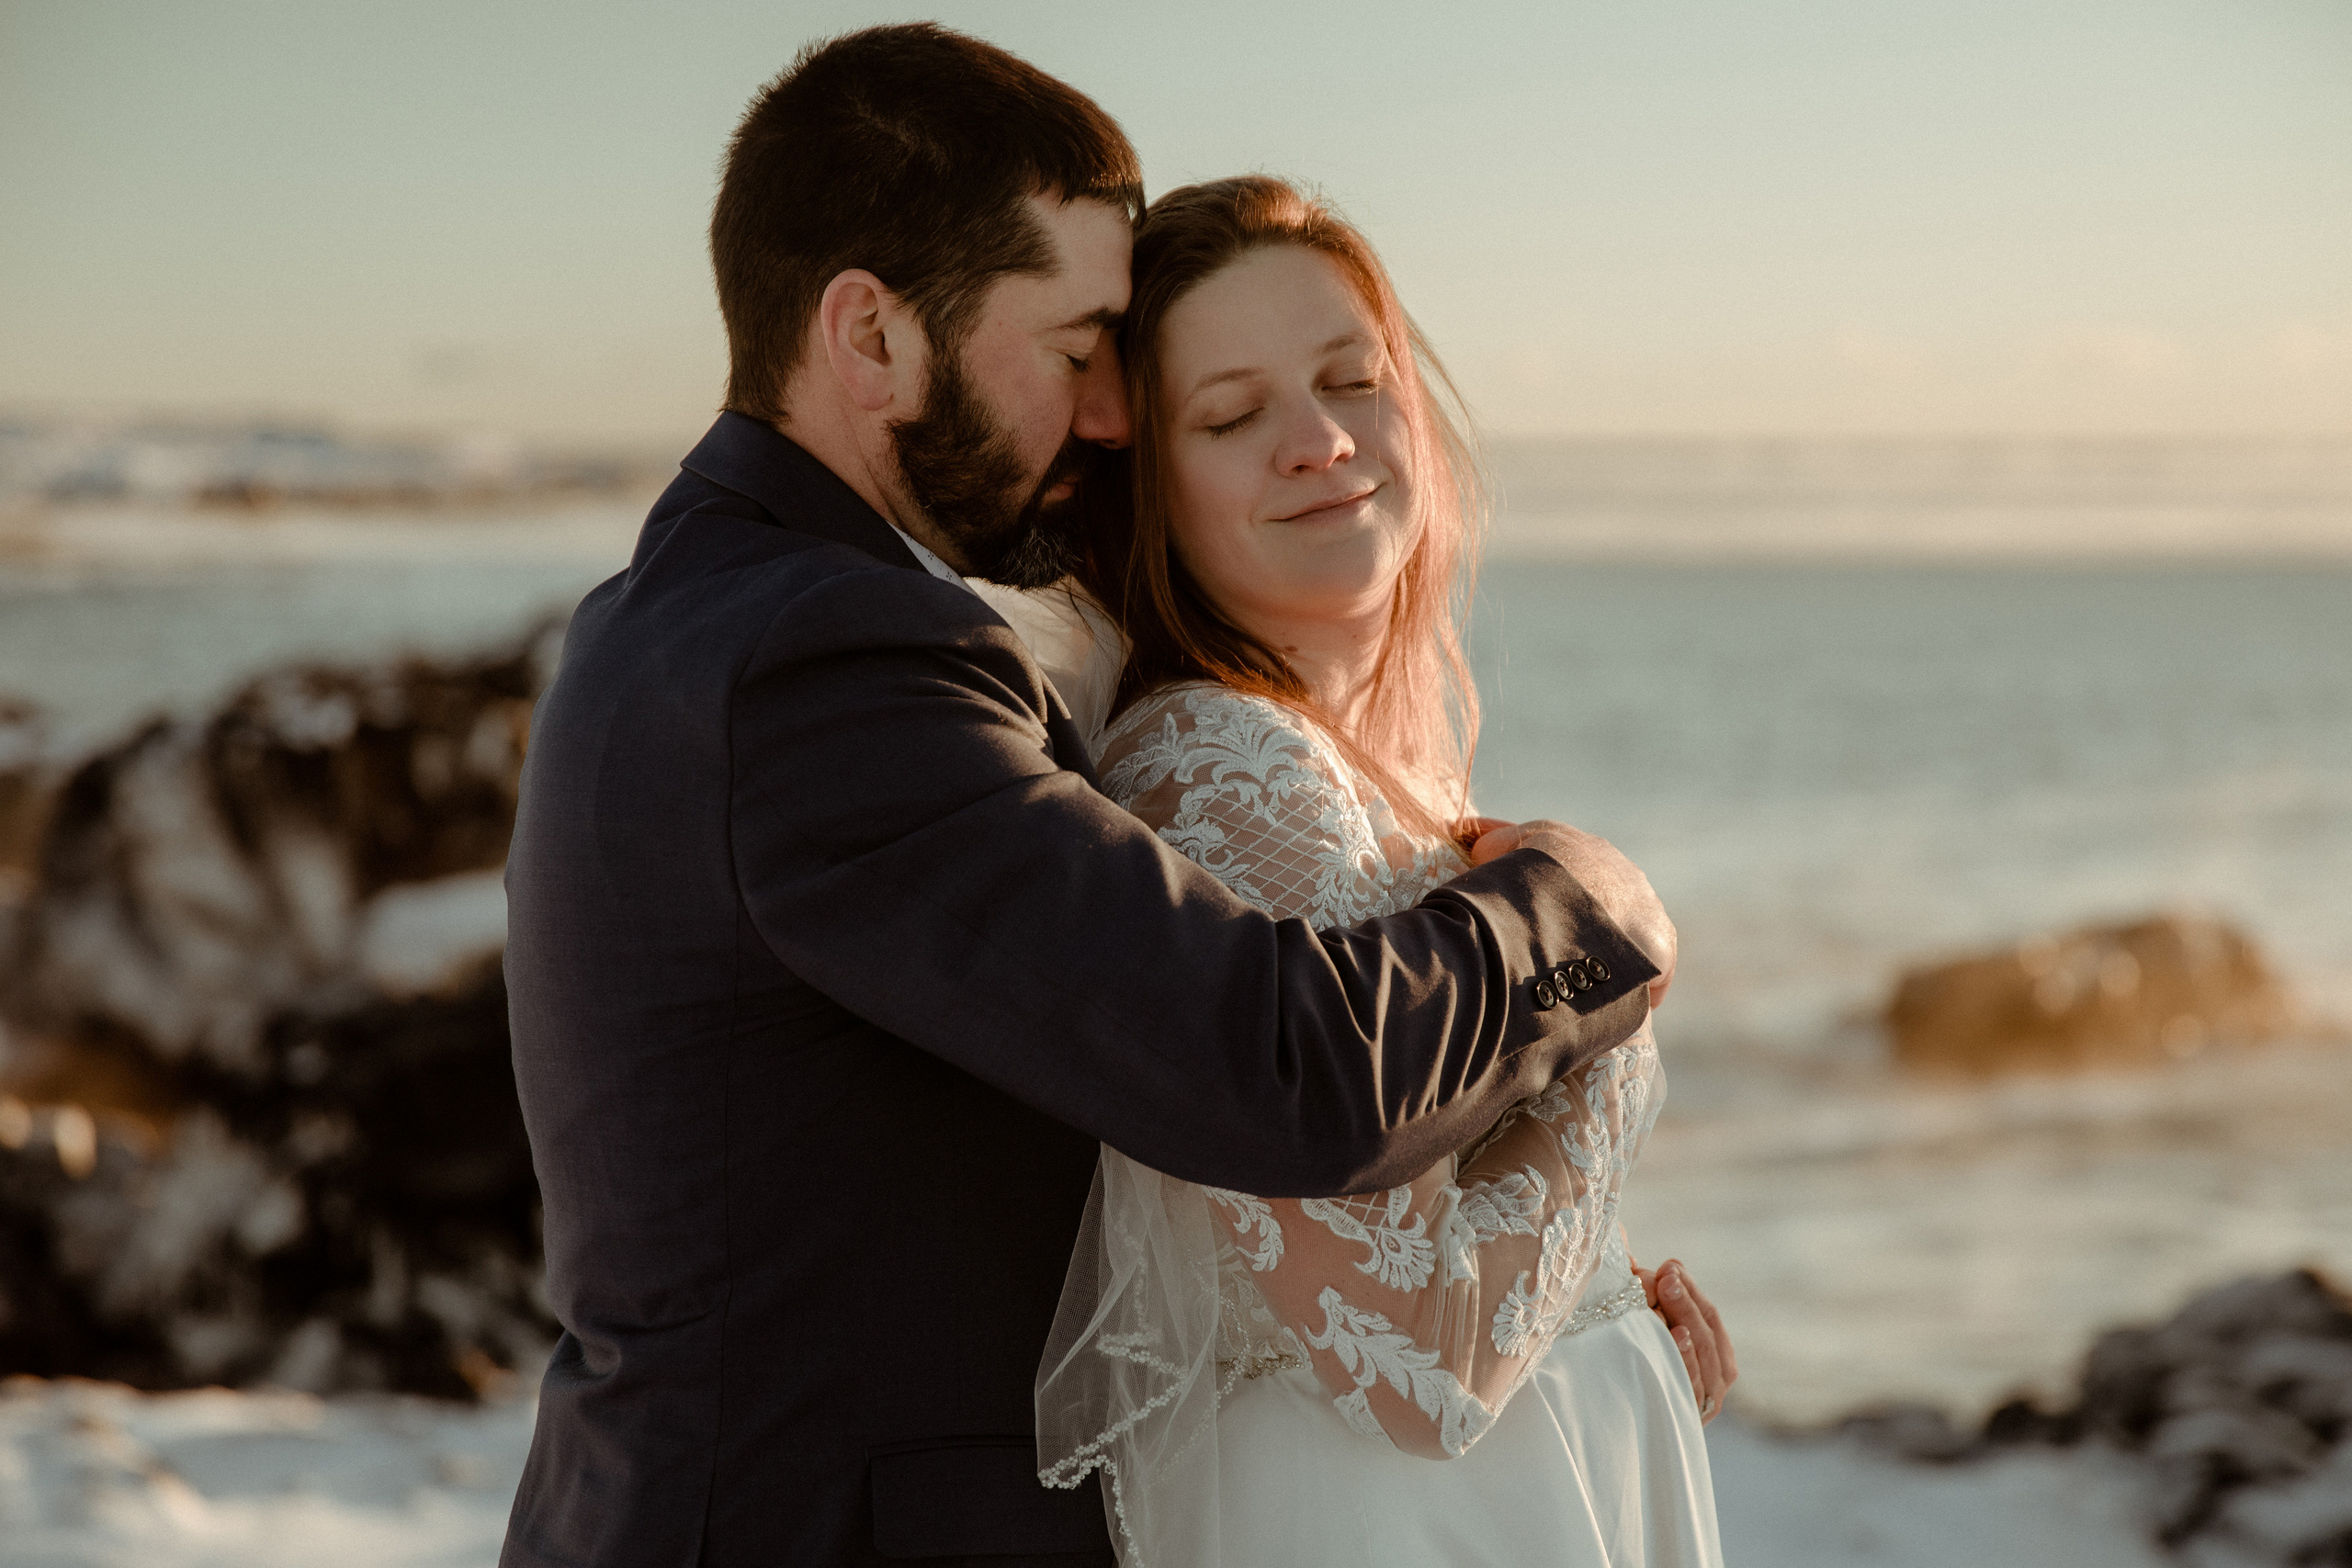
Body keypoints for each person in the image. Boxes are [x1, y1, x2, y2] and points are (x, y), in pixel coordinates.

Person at [499, 27, 1674, 1568]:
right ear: (871, 339)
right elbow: (1278, 1071)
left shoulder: (690, 613)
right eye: (1071, 352)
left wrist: (1578, 1296)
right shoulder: (824, 667)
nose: (1108, 418)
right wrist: (1589, 914)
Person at [1035, 177, 1732, 1566]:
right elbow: (1416, 1356)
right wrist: (1612, 975)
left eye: (1352, 380)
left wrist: (1606, 1319)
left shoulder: (1355, 770)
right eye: (1232, 416)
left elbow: (1447, 1256)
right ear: (1148, 488)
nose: (1316, 442)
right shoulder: (1227, 779)